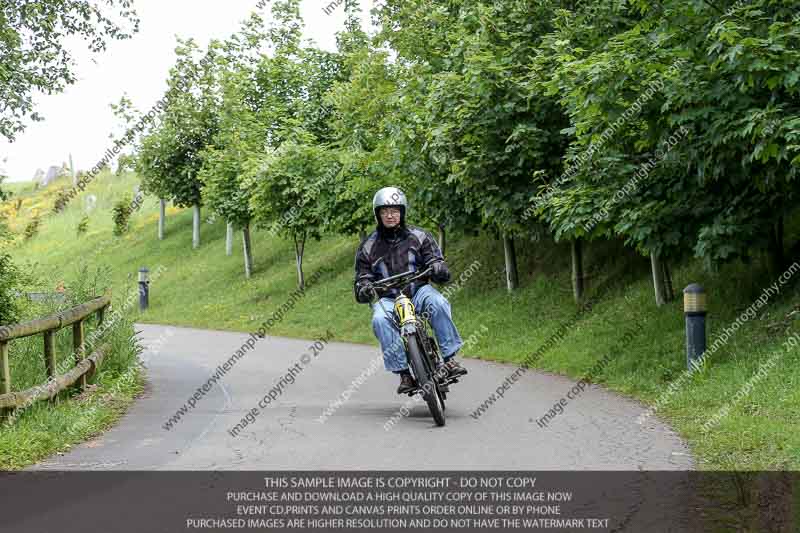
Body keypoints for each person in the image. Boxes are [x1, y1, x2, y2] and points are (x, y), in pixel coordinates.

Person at [353, 186, 468, 394]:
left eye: (394, 210)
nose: (390, 215)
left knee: (438, 303)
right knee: (379, 319)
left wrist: (437, 267)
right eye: (384, 211)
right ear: (377, 214)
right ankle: (404, 374)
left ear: (402, 212)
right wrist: (364, 288)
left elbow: (435, 259)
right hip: (388, 299)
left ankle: (450, 360)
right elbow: (362, 278)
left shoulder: (420, 236)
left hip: (419, 291)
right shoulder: (367, 246)